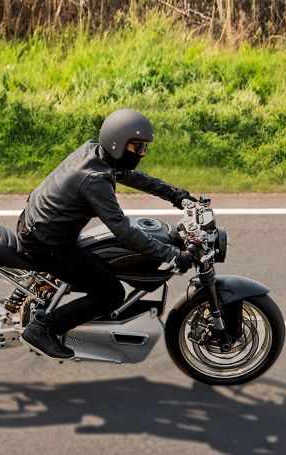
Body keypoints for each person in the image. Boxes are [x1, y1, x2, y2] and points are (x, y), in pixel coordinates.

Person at [17, 108, 199, 359]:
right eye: (137, 147)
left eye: (144, 147)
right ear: (118, 143)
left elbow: (131, 176)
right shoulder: (95, 180)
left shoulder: (94, 151)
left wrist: (174, 194)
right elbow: (123, 230)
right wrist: (172, 255)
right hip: (47, 244)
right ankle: (43, 328)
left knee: (101, 261)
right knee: (110, 293)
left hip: (40, 226)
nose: (142, 153)